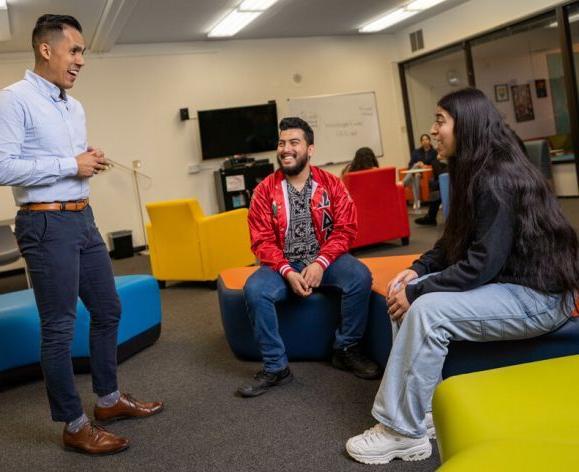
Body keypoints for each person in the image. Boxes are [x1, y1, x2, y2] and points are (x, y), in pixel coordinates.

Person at [345, 88, 579, 464]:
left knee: (425, 308)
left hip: (541, 298)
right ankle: (419, 414)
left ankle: (401, 432)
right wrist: (416, 270)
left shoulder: (498, 178)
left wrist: (421, 291)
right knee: (403, 290)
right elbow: (454, 240)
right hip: (508, 284)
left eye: (440, 120)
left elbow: (481, 263)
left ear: (466, 125)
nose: (433, 130)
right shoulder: (473, 171)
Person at [0, 15, 163, 455]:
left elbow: (65, 158)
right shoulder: (13, 100)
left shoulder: (73, 106)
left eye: (83, 52)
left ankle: (108, 401)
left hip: (82, 218)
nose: (81, 61)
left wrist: (86, 158)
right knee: (58, 327)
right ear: (46, 50)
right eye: (74, 50)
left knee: (108, 308)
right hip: (45, 223)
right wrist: (70, 164)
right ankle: (74, 425)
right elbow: (2, 166)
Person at [238, 117, 380, 398]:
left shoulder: (332, 184)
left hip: (326, 260)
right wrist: (287, 270)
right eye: (281, 143)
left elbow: (346, 229)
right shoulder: (264, 190)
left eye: (294, 142)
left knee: (359, 277)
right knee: (255, 290)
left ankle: (346, 349)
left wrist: (321, 262)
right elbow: (261, 240)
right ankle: (276, 367)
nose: (286, 149)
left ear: (310, 149)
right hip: (282, 264)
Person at [403, 134, 437, 210]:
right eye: (423, 140)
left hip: (427, 174)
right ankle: (417, 201)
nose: (425, 141)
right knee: (417, 174)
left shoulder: (434, 152)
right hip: (416, 173)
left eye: (426, 139)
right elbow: (410, 164)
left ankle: (403, 183)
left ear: (429, 141)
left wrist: (424, 165)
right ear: (421, 142)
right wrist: (417, 167)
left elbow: (435, 164)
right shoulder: (416, 152)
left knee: (417, 166)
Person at [414, 153, 448, 226]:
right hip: (446, 184)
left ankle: (430, 218)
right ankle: (430, 218)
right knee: (435, 188)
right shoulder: (437, 160)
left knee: (435, 187)